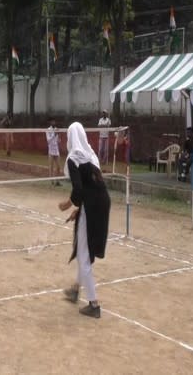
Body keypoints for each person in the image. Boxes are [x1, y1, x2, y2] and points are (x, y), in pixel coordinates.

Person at [58, 122, 110, 318]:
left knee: (83, 255)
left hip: (92, 206)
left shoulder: (73, 159)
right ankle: (75, 289)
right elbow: (93, 187)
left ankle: (94, 304)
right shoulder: (91, 154)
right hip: (102, 203)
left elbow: (79, 190)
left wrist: (69, 203)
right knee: (84, 249)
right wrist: (80, 210)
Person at [45, 117, 62, 186]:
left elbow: (58, 141)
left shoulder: (57, 129)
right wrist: (54, 134)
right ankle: (51, 181)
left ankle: (57, 181)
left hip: (56, 150)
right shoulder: (48, 130)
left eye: (54, 121)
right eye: (52, 121)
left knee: (58, 166)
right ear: (50, 122)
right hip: (51, 150)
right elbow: (48, 140)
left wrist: (59, 136)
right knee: (51, 166)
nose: (54, 123)